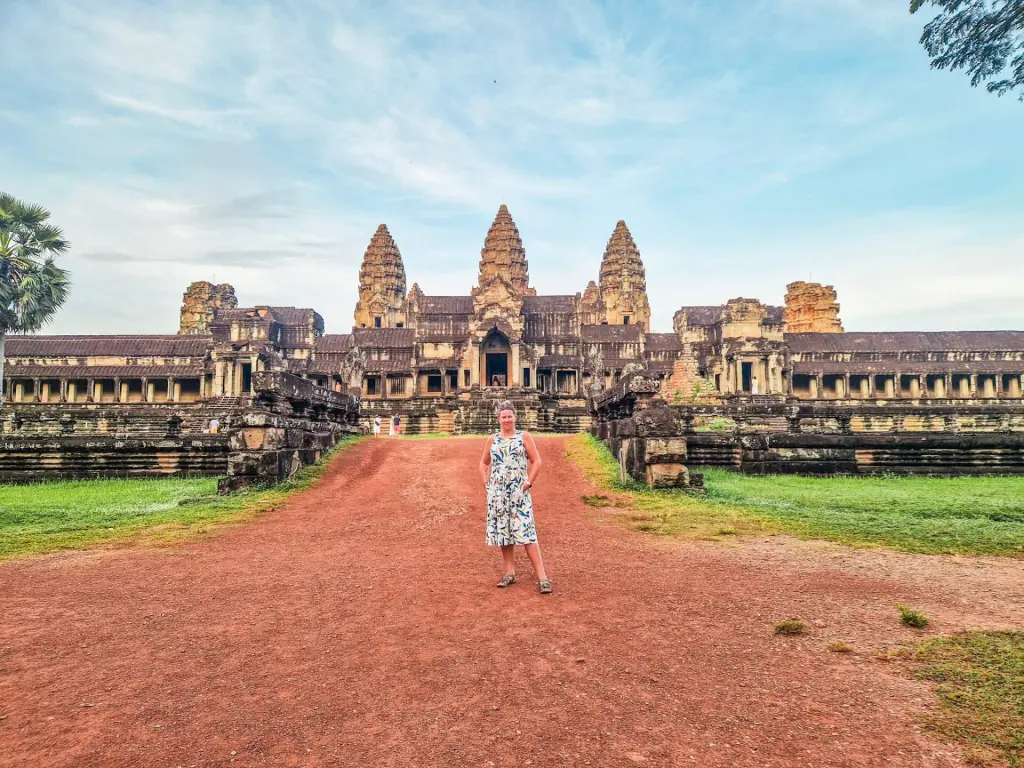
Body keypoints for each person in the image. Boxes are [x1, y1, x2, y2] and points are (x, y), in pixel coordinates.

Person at [478, 400, 552, 594]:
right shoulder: (492, 439)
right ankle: (509, 573)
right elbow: (483, 464)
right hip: (498, 493)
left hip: (519, 492)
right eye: (503, 417)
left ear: (515, 417)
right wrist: (487, 484)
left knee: (527, 532)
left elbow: (537, 461)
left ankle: (542, 577)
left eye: (510, 416)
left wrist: (529, 482)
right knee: (504, 533)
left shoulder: (524, 436)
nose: (507, 419)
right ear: (498, 419)